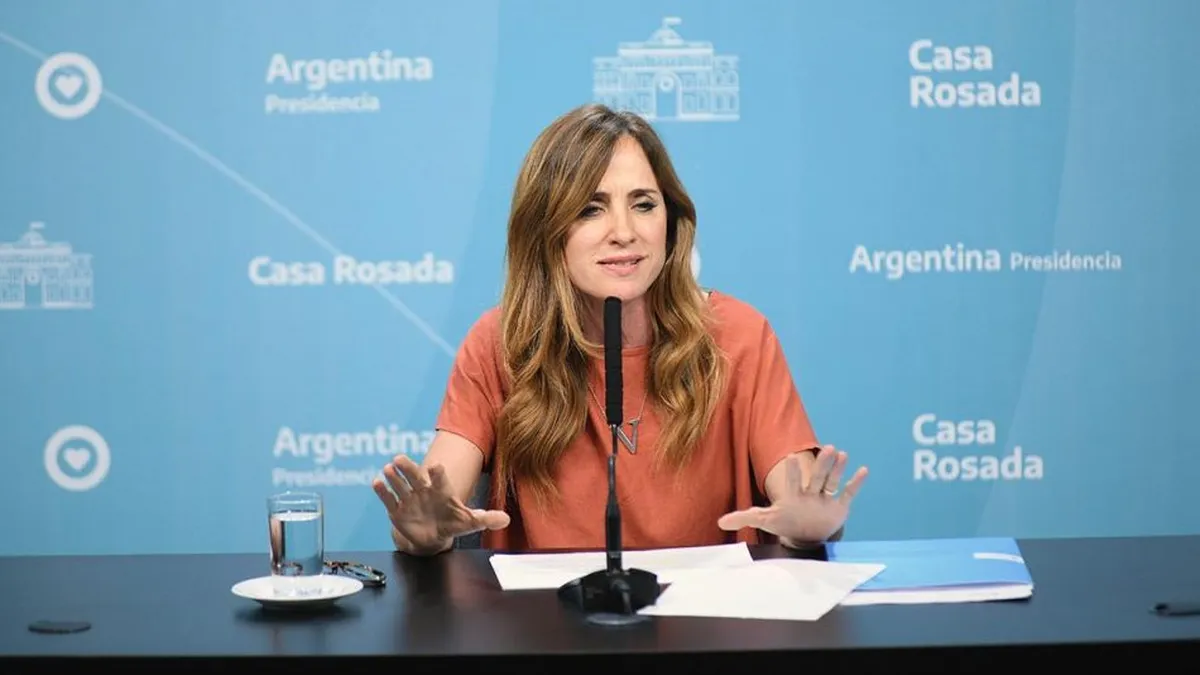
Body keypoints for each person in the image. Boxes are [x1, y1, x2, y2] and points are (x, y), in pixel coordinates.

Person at [371, 102, 868, 555]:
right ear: (546, 229)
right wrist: (424, 532)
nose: (625, 232)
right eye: (591, 209)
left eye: (643, 204)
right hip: (543, 619)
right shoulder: (500, 342)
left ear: (671, 219)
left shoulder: (738, 333)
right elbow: (438, 498)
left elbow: (796, 494)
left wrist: (806, 525)